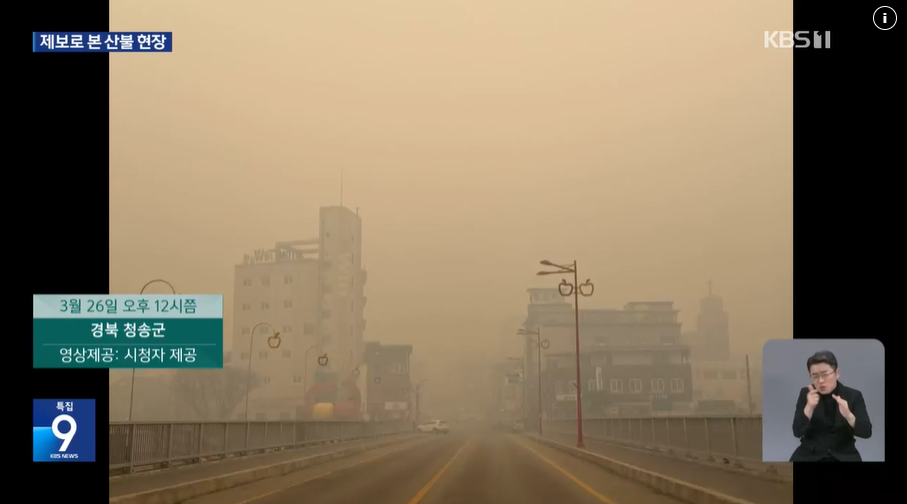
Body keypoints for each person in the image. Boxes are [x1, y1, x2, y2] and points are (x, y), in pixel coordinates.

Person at [790, 350, 872, 462]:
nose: (821, 381)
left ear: (837, 373)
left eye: (825, 374)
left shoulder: (853, 395)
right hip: (810, 454)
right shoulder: (806, 394)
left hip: (844, 456)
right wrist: (809, 408)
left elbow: (866, 432)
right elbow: (797, 432)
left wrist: (848, 415)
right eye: (815, 376)